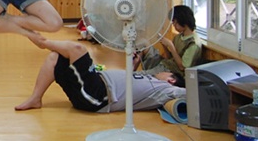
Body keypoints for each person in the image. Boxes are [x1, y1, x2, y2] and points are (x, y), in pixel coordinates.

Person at [15, 38, 186, 112]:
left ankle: (43, 42)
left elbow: (188, 93)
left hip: (100, 96)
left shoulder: (165, 89)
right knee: (55, 58)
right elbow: (128, 83)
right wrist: (133, 66)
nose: (161, 72)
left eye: (166, 73)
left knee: (78, 49)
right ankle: (36, 98)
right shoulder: (149, 79)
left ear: (171, 79)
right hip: (94, 85)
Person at [133, 5, 202, 77]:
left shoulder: (193, 43)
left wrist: (171, 46)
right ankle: (132, 68)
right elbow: (170, 58)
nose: (173, 25)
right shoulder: (179, 36)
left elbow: (182, 67)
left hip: (172, 72)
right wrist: (165, 45)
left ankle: (131, 76)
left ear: (182, 20)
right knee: (143, 43)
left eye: (174, 22)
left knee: (138, 75)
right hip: (165, 63)